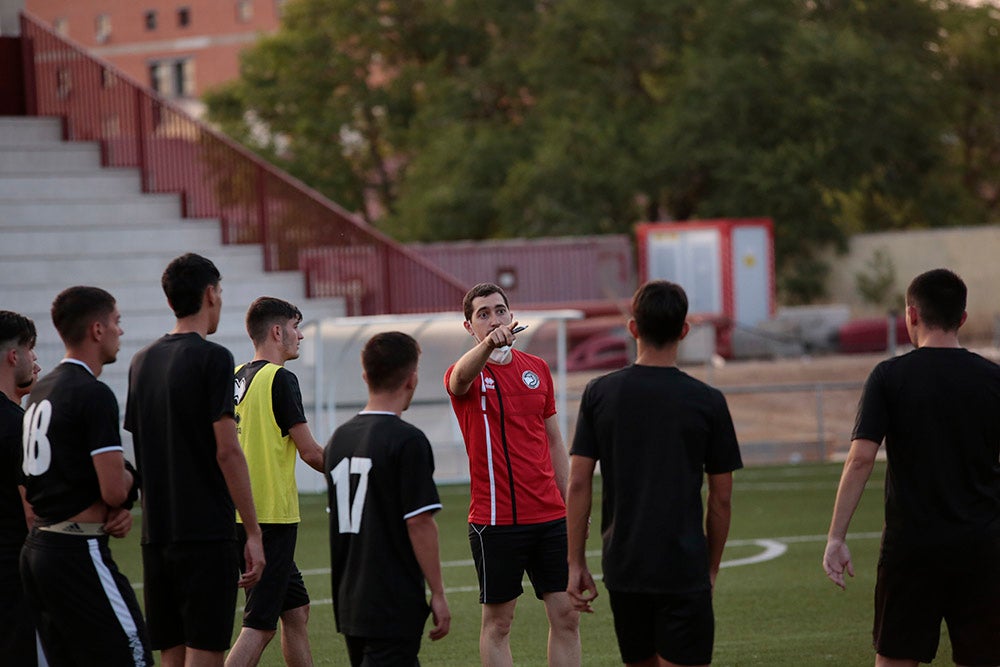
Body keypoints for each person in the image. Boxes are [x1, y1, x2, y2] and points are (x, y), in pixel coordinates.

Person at [823, 268, 1000, 667]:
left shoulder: (889, 376)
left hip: (911, 547)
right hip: (982, 547)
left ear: (912, 315)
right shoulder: (993, 379)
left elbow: (861, 459)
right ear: (963, 318)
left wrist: (836, 536)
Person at [566, 280, 742, 667]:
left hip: (625, 564)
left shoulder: (599, 393)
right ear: (684, 330)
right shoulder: (708, 402)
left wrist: (575, 562)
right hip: (683, 566)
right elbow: (722, 496)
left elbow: (578, 482)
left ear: (633, 328)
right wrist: (709, 568)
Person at [126, 253, 265, 667]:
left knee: (171, 652)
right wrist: (253, 532)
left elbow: (142, 450)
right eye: (219, 291)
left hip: (157, 534)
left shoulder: (141, 361)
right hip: (204, 533)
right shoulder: (213, 357)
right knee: (204, 650)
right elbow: (227, 449)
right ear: (209, 294)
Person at [445, 283, 580, 667]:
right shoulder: (463, 374)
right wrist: (488, 346)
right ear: (469, 326)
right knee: (499, 624)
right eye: (483, 314)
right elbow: (458, 381)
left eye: (499, 310)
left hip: (550, 516)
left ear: (511, 314)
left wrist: (570, 505)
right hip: (495, 520)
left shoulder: (537, 370)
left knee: (567, 615)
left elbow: (554, 441)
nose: (494, 319)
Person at [20, 287, 152, 665]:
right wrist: (129, 477)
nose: (120, 332)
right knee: (135, 655)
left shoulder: (42, 389)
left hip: (39, 547)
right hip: (76, 551)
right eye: (116, 322)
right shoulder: (92, 393)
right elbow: (114, 490)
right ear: (97, 329)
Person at [325, 331, 450, 666]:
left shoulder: (339, 439)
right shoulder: (407, 440)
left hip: (350, 599)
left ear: (365, 376)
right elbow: (420, 521)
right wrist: (437, 592)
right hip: (392, 599)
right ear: (412, 380)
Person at [227, 297, 325, 667]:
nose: (300, 336)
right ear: (277, 331)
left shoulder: (236, 375)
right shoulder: (281, 379)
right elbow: (312, 453)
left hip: (240, 513)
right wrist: (355, 462)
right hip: (269, 519)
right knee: (259, 626)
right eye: (296, 327)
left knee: (296, 610)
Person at [0, 311, 39, 665]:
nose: (35, 360)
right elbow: (33, 512)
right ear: (15, 356)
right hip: (14, 577)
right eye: (32, 350)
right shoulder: (19, 427)